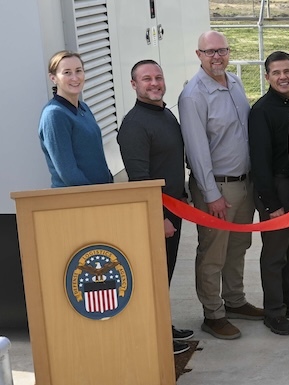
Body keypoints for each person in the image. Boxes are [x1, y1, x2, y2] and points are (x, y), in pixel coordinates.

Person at [179, 31, 261, 340]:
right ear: (198, 54)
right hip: (218, 189)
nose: (217, 56)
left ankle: (235, 300)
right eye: (210, 51)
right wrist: (211, 194)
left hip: (244, 184)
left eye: (222, 51)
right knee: (213, 251)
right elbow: (198, 150)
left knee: (238, 247)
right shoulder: (193, 95)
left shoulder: (235, 83)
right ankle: (213, 313)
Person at [117, 59, 194, 354]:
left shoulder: (164, 114)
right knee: (154, 275)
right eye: (146, 79)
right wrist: (158, 218)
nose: (154, 83)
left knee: (165, 273)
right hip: (158, 214)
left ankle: (164, 325)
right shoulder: (135, 125)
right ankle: (156, 338)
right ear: (134, 85)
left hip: (175, 208)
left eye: (158, 77)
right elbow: (140, 180)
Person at [248, 51, 289, 336]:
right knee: (275, 254)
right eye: (276, 72)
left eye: (287, 71)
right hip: (276, 188)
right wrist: (272, 204)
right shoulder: (261, 111)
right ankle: (274, 312)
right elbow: (259, 162)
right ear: (268, 76)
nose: (283, 77)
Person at [39, 50, 112, 188]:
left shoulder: (83, 108)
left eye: (78, 71)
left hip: (100, 194)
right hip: (78, 200)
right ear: (53, 78)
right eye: (67, 72)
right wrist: (95, 196)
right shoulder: (54, 115)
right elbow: (68, 172)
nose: (75, 77)